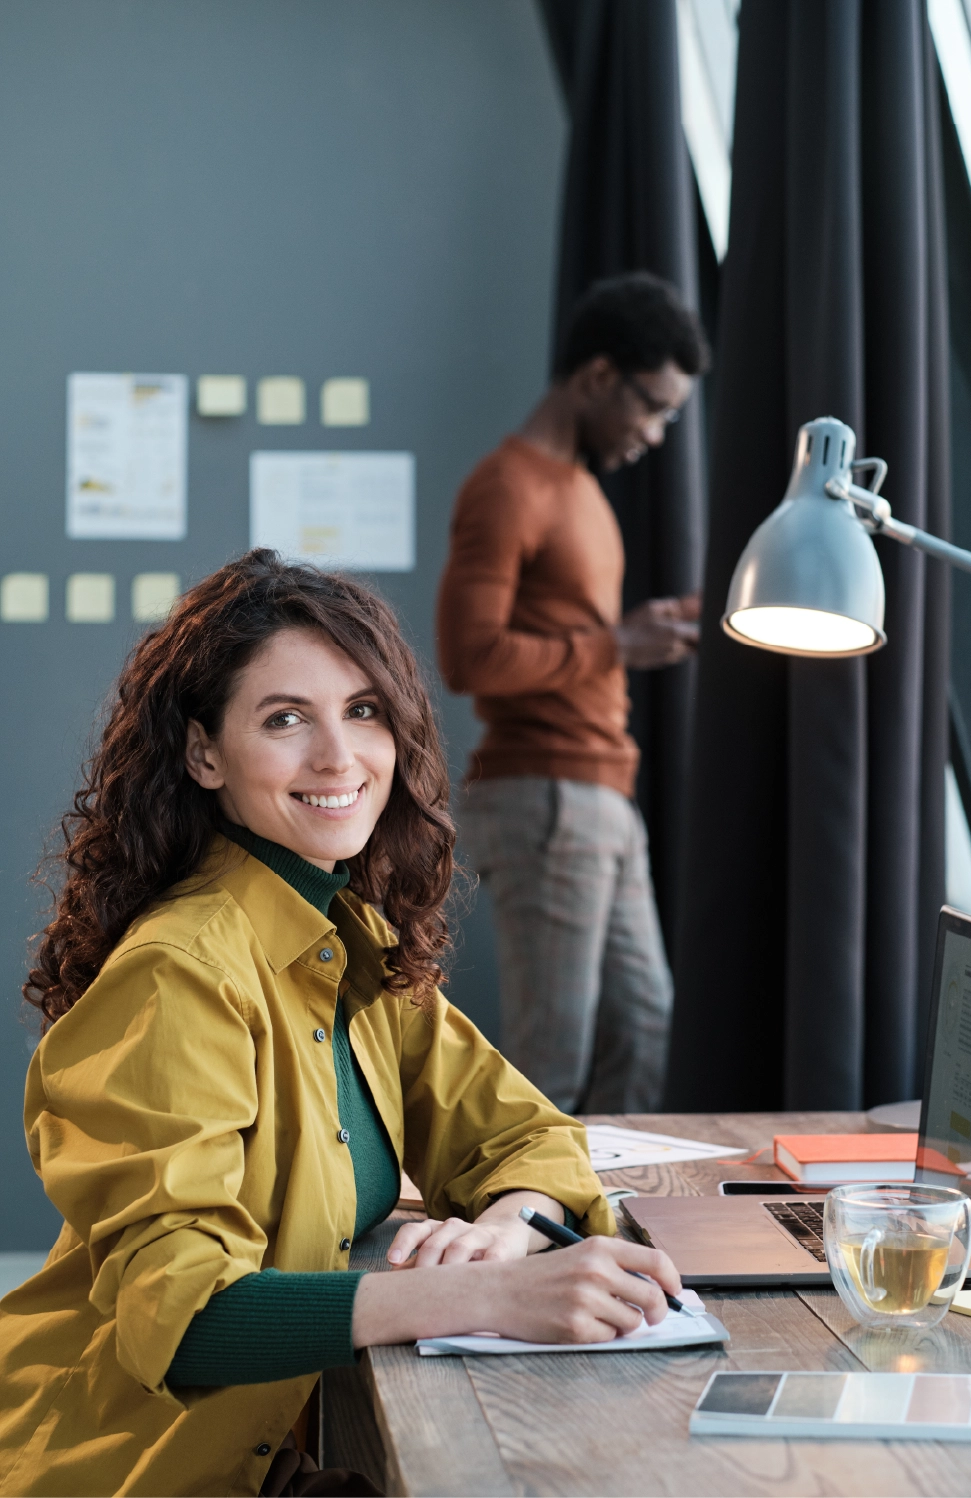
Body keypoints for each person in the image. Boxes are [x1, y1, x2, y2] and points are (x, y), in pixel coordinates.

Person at [0, 552, 680, 1498]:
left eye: (363, 711)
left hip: (280, 1447)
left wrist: (509, 1228)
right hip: (129, 1468)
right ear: (203, 754)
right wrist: (479, 1294)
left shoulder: (346, 940)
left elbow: (524, 1133)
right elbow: (181, 1318)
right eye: (286, 719)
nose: (338, 757)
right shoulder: (179, 973)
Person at [436, 272, 710, 1116]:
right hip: (543, 794)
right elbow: (468, 657)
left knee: (644, 1027)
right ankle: (523, 1203)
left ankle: (603, 1198)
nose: (655, 433)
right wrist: (617, 644)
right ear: (597, 376)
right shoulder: (506, 486)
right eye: (652, 407)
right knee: (553, 1055)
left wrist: (647, 628)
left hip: (600, 791)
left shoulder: (582, 491)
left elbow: (575, 633)